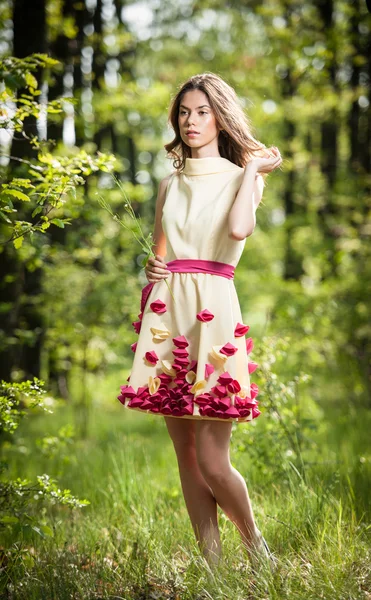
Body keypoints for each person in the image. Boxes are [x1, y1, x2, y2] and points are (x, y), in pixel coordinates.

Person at [117, 72, 282, 569]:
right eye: (184, 112)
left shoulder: (240, 179)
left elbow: (237, 229)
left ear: (220, 118)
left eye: (203, 112)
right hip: (168, 312)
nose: (192, 121)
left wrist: (253, 171)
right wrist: (151, 268)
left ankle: (258, 550)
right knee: (184, 453)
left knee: (212, 457)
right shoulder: (169, 183)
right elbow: (161, 251)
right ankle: (212, 564)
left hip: (213, 309)